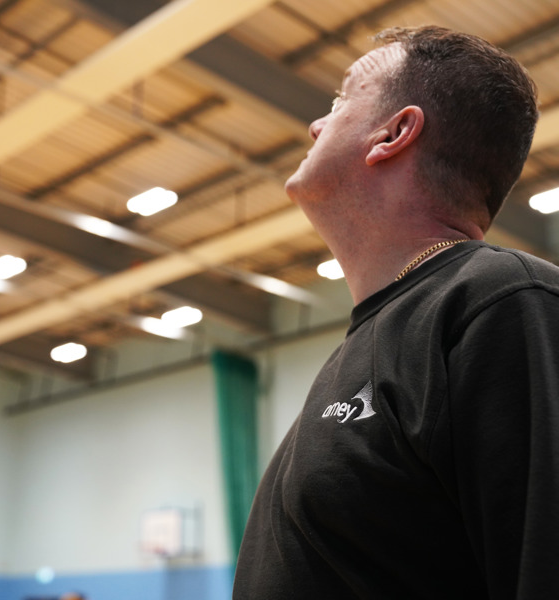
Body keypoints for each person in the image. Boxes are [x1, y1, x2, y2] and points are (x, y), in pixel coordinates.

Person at [233, 25, 559, 599]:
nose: (315, 124)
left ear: (395, 132)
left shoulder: (502, 302)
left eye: (339, 101)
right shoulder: (367, 342)